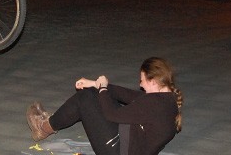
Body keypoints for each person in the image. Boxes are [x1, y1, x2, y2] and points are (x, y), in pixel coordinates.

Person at [26, 57, 182, 155]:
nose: (140, 85)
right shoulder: (168, 100)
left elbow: (111, 115)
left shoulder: (153, 104)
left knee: (85, 98)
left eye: (142, 80)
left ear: (154, 81)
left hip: (118, 150)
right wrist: (96, 84)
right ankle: (51, 122)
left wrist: (101, 88)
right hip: (131, 141)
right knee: (93, 93)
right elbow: (128, 95)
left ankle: (44, 128)